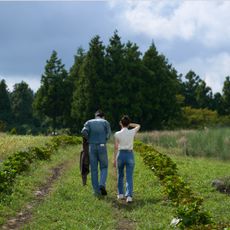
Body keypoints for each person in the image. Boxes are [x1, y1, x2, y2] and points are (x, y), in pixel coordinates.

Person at [81, 110, 111, 196]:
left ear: (95, 116)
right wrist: (104, 139)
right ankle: (102, 184)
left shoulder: (89, 122)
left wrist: (89, 138)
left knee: (94, 169)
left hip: (92, 146)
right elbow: (108, 135)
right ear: (103, 116)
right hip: (102, 145)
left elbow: (83, 132)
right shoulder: (105, 122)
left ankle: (96, 191)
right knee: (104, 167)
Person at [114, 115, 140, 203]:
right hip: (129, 154)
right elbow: (138, 126)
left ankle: (120, 194)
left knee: (120, 175)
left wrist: (114, 159)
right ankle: (129, 196)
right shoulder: (132, 132)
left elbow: (116, 147)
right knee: (129, 176)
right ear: (128, 124)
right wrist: (129, 124)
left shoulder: (117, 134)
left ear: (121, 123)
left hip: (120, 154)